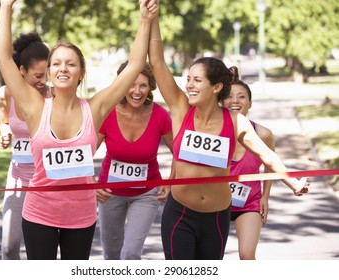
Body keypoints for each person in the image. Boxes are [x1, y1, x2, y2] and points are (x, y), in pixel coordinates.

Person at [0, 0, 158, 260]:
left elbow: (135, 64)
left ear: (81, 73)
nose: (63, 68)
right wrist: (5, 6)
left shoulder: (94, 110)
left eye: (70, 64)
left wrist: (145, 19)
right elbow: (3, 58)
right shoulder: (35, 107)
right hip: (39, 214)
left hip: (81, 218)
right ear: (48, 72)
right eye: (57, 64)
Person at [148, 15, 309, 260]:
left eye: (197, 81)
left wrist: (293, 182)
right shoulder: (181, 109)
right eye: (188, 79)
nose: (189, 85)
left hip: (216, 217)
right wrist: (152, 17)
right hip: (180, 214)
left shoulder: (235, 122)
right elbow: (157, 61)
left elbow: (268, 155)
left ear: (216, 88)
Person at [96, 61, 174, 260]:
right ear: (121, 85)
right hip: (109, 193)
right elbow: (86, 152)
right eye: (131, 84)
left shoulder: (160, 116)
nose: (136, 91)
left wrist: (171, 181)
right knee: (111, 254)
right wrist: (91, 183)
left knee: (130, 253)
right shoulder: (108, 113)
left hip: (146, 193)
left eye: (143, 85)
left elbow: (180, 153)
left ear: (150, 88)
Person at [0, 32, 50, 260]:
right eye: (38, 75)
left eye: (47, 74)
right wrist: (5, 133)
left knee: (39, 250)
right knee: (9, 246)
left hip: (47, 179)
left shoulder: (54, 97)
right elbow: (5, 122)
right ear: (21, 71)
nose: (44, 81)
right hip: (18, 176)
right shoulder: (6, 94)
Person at [221, 80, 274, 260]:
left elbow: (270, 165)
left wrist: (265, 196)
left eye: (241, 97)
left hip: (248, 204)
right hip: (215, 203)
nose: (235, 101)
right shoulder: (212, 132)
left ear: (250, 103)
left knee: (247, 255)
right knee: (210, 257)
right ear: (220, 101)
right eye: (229, 96)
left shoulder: (263, 134)